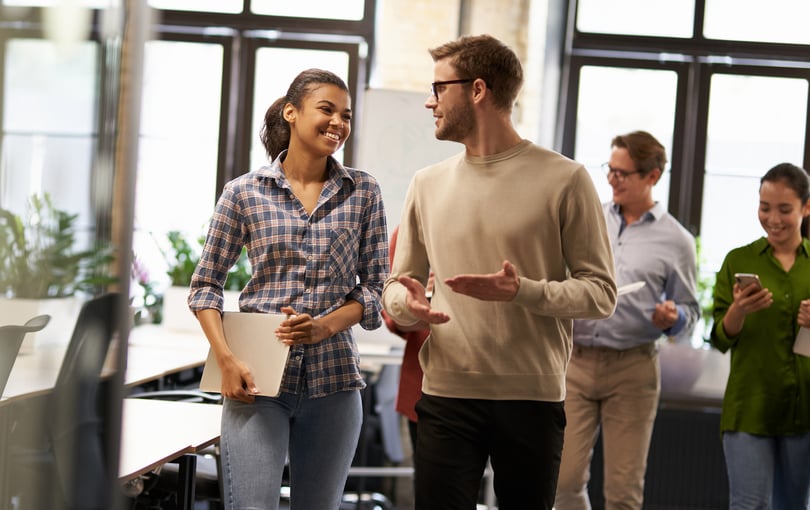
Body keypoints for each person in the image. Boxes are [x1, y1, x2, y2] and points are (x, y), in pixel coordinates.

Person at [381, 34, 617, 510]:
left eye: (439, 88)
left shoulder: (566, 178)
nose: (430, 101)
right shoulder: (426, 184)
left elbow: (601, 294)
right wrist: (408, 305)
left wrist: (522, 291)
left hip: (532, 397)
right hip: (446, 394)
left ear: (478, 90)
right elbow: (394, 289)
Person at [188, 68, 388, 510]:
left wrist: (324, 326)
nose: (338, 122)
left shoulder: (364, 191)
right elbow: (204, 287)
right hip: (256, 380)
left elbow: (376, 287)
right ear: (291, 113)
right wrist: (226, 360)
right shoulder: (243, 193)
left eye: (346, 115)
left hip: (334, 381)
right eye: (327, 109)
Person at [554, 131, 701, 510]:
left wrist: (674, 317)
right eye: (609, 169)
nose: (611, 179)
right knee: (563, 481)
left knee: (623, 492)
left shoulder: (677, 240)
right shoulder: (588, 219)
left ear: (652, 176)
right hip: (576, 362)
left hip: (633, 368)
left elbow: (690, 311)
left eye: (622, 173)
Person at [710, 162, 810, 510]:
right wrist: (739, 310)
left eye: (785, 209)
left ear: (806, 208)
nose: (773, 219)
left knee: (794, 506)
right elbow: (720, 339)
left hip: (804, 410)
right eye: (765, 208)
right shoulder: (738, 260)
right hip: (749, 407)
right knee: (748, 505)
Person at [381, 226, 432, 451]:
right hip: (425, 388)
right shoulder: (409, 232)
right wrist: (413, 302)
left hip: (505, 387)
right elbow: (394, 320)